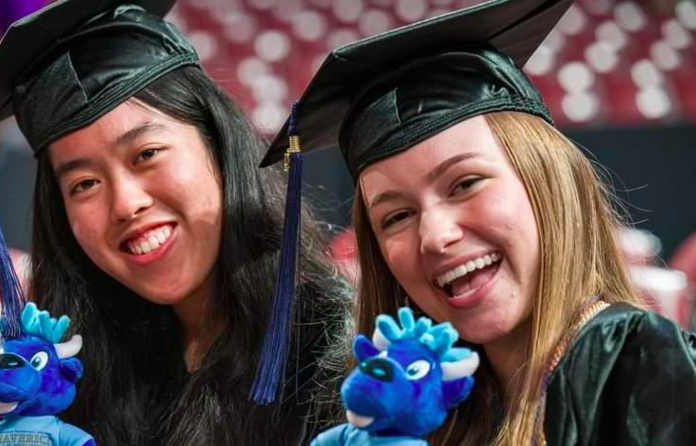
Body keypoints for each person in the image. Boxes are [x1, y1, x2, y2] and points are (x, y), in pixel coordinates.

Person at [259, 0, 696, 444]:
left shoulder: (629, 366)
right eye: (397, 216)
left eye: (465, 183)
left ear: (549, 180)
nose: (436, 236)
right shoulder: (414, 410)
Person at [0, 0, 353, 444]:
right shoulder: (66, 377)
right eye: (84, 184)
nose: (125, 203)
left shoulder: (338, 361)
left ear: (219, 144)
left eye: (146, 154)